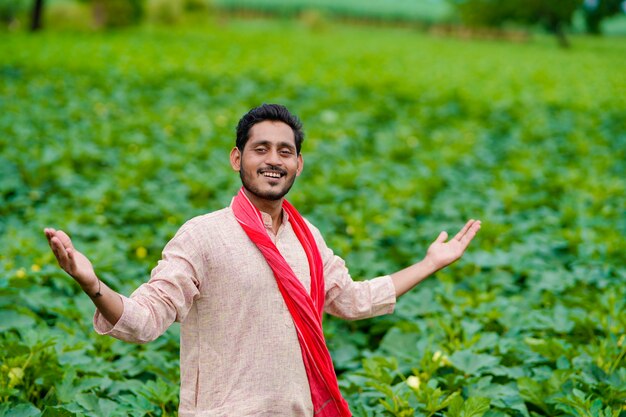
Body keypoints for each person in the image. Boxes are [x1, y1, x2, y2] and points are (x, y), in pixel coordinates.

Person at [45, 104, 481, 417]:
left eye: (285, 152)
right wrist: (92, 284)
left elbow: (352, 300)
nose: (273, 160)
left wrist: (429, 264)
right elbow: (146, 319)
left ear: (299, 164)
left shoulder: (307, 237)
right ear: (238, 158)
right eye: (261, 149)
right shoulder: (203, 235)